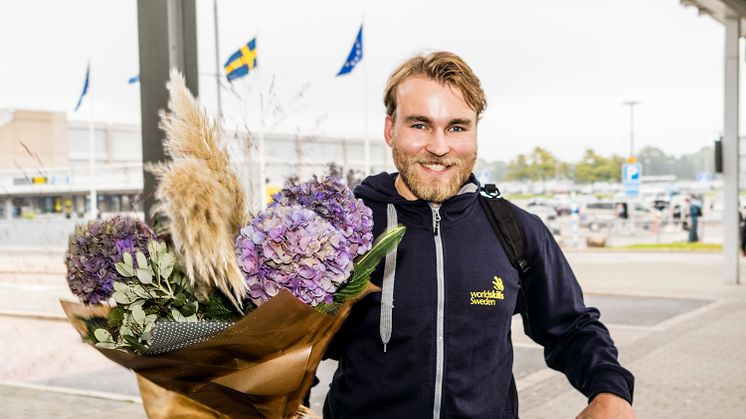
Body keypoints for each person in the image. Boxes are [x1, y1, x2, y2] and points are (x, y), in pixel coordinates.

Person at [323, 51, 635, 419]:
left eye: (457, 127)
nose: (439, 147)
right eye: (420, 125)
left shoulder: (515, 230)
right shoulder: (344, 229)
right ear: (391, 129)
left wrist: (610, 391)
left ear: (474, 132)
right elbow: (287, 347)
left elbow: (571, 327)